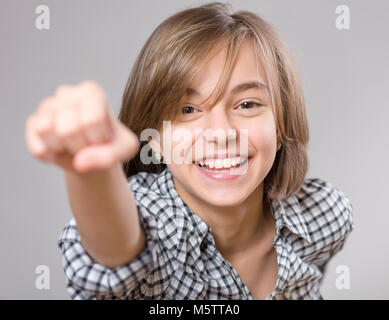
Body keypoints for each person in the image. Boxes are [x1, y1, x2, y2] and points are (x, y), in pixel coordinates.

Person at [24, 2, 354, 299]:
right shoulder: (154, 220)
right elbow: (117, 249)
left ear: (280, 125)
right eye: (187, 110)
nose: (221, 134)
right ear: (153, 137)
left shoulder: (323, 217)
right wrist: (93, 169)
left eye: (247, 103)